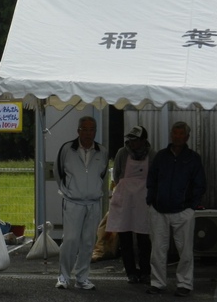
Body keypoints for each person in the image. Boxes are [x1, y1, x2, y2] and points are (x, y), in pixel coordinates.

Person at [145, 121, 206, 297]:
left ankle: (184, 284)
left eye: (181, 134)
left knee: (185, 250)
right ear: (171, 135)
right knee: (157, 249)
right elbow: (152, 180)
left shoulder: (193, 158)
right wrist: (151, 201)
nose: (177, 136)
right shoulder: (161, 156)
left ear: (187, 137)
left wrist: (191, 207)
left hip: (183, 211)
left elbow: (199, 185)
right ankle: (157, 283)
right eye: (175, 133)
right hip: (158, 210)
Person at [54, 115, 109, 290]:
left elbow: (102, 174)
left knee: (88, 242)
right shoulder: (67, 149)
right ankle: (63, 276)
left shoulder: (102, 151)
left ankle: (82, 277)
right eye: (84, 129)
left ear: (96, 131)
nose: (88, 133)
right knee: (70, 240)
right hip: (72, 201)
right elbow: (58, 172)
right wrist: (69, 190)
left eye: (92, 129)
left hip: (93, 202)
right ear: (78, 131)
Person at [106, 125, 155, 284]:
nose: (132, 143)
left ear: (143, 140)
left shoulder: (152, 155)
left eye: (135, 140)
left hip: (143, 199)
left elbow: (154, 177)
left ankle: (146, 271)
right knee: (125, 237)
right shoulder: (122, 153)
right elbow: (117, 176)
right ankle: (131, 272)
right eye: (130, 139)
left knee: (143, 238)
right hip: (125, 199)